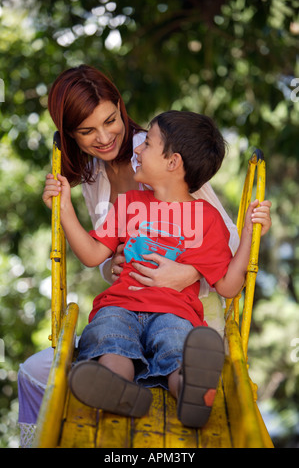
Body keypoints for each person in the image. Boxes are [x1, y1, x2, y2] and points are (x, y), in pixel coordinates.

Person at [17, 65, 271, 445]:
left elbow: (226, 271)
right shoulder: (117, 193)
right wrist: (67, 213)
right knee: (104, 340)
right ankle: (117, 389)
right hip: (124, 303)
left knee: (176, 343)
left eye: (110, 121)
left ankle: (191, 390)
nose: (104, 137)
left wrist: (196, 266)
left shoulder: (182, 185)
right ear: (71, 134)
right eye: (87, 131)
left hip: (180, 308)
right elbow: (98, 253)